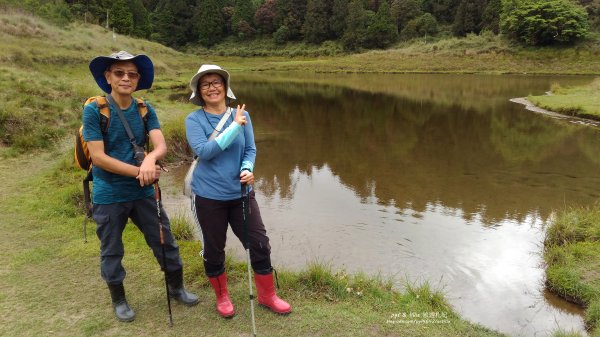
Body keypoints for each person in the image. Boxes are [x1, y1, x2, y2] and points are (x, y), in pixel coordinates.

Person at [83, 51, 198, 322]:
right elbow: (98, 157)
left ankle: (176, 287)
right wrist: (141, 170)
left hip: (144, 192)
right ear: (108, 77)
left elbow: (160, 144)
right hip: (109, 193)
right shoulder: (94, 110)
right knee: (111, 249)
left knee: (165, 241)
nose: (126, 78)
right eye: (119, 73)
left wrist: (150, 158)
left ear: (138, 79)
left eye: (132, 74)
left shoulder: (145, 108)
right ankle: (119, 299)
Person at [185, 64, 292, 318]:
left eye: (216, 82)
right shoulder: (194, 119)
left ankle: (268, 296)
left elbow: (250, 149)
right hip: (209, 196)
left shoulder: (243, 114)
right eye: (206, 84)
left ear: (225, 86)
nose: (212, 87)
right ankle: (222, 297)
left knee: (259, 243)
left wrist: (247, 168)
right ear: (199, 91)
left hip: (242, 194)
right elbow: (206, 152)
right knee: (214, 249)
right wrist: (234, 127)